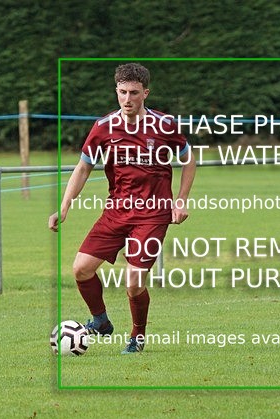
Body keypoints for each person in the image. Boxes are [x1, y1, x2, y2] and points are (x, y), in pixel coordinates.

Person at [48, 63, 196, 354]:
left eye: (133, 93)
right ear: (116, 91)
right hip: (116, 211)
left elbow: (188, 160)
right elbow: (83, 168)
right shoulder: (104, 127)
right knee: (81, 269)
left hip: (153, 213)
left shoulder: (164, 125)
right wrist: (64, 206)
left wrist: (181, 200)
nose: (127, 99)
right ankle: (101, 321)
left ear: (145, 93)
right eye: (122, 92)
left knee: (133, 283)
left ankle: (137, 336)